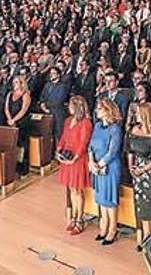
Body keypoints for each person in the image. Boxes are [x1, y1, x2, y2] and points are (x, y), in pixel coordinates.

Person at [128, 102, 151, 251]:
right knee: (141, 206)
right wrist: (131, 166)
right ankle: (144, 237)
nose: (136, 115)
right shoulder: (134, 129)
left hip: (149, 175)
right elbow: (129, 149)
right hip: (136, 172)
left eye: (138, 113)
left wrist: (142, 169)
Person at [89, 98, 123, 246]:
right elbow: (90, 146)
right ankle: (104, 226)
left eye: (100, 108)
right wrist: (91, 161)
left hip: (110, 167)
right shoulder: (97, 125)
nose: (97, 110)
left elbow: (113, 151)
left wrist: (100, 164)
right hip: (96, 165)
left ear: (108, 110)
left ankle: (112, 229)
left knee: (110, 200)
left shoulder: (115, 128)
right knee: (101, 198)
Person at [58, 95, 93, 235]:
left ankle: (79, 218)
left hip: (78, 159)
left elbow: (83, 143)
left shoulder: (86, 123)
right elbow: (63, 138)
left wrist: (75, 157)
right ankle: (73, 216)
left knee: (78, 190)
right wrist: (58, 150)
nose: (68, 107)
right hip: (67, 157)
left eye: (71, 105)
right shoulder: (67, 121)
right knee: (71, 190)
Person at [5, 75, 32, 177]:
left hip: (22, 123)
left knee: (22, 146)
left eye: (17, 82)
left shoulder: (25, 95)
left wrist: (14, 120)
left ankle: (23, 170)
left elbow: (23, 110)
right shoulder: (10, 94)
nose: (15, 84)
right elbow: (6, 108)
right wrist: (10, 119)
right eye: (14, 82)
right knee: (13, 146)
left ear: (22, 83)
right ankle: (14, 168)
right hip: (11, 122)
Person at [40, 66, 70, 146]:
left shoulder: (63, 86)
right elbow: (42, 97)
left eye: (53, 73)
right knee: (48, 134)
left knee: (59, 133)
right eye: (50, 74)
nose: (51, 75)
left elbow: (59, 100)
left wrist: (45, 105)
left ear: (58, 75)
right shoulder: (47, 85)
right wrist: (42, 105)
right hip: (47, 113)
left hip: (58, 113)